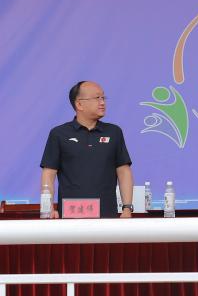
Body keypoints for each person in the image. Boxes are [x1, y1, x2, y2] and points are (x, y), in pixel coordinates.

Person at [40, 81, 133, 219]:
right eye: (97, 98)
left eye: (103, 98)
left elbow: (123, 171)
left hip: (107, 215)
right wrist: (48, 208)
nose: (102, 102)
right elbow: (49, 173)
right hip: (70, 215)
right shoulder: (59, 134)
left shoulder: (114, 132)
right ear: (79, 104)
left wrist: (127, 208)